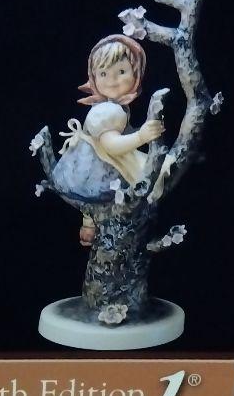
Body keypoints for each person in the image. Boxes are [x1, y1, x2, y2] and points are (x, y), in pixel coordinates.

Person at [34, 33, 164, 244]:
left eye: (121, 72)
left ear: (137, 74)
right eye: (103, 73)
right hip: (96, 170)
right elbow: (111, 145)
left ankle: (90, 223)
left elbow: (120, 134)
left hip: (91, 168)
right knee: (112, 190)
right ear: (93, 77)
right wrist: (141, 136)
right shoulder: (106, 111)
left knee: (100, 199)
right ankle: (93, 222)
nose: (112, 81)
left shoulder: (114, 107)